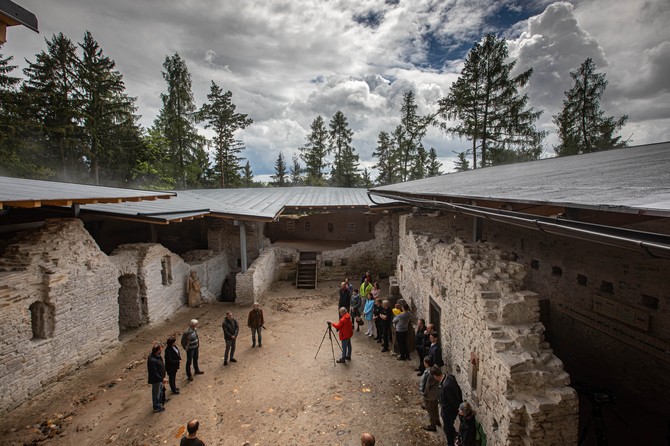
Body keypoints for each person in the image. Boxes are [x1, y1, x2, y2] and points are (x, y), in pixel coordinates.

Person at [431, 365, 463, 446]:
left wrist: (447, 410)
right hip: (448, 410)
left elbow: (452, 401)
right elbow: (459, 389)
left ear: (435, 376)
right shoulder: (450, 377)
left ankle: (450, 443)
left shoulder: (446, 387)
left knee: (447, 429)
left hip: (449, 412)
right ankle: (455, 434)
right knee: (448, 427)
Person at [420, 357, 440, 431]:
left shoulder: (429, 373)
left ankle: (432, 425)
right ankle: (437, 420)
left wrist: (424, 393)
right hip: (435, 394)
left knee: (430, 410)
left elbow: (427, 386)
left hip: (429, 396)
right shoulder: (435, 370)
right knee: (435, 408)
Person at [147, 343, 167, 412]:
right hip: (156, 380)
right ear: (157, 350)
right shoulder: (152, 360)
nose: (161, 349)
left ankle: (161, 400)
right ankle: (156, 406)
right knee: (156, 393)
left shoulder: (156, 356)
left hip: (160, 378)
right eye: (160, 348)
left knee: (160, 390)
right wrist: (162, 379)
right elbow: (154, 373)